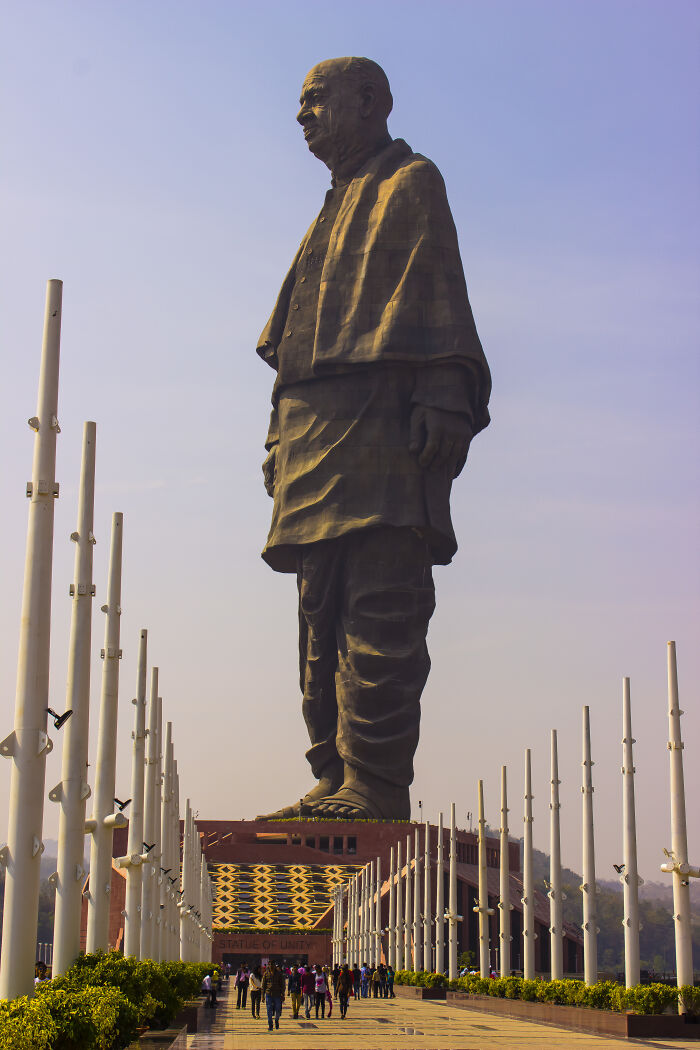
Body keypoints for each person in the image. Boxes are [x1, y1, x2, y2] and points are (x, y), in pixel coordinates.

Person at [256, 56, 491, 823]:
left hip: (383, 424)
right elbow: (291, 339)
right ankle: (332, 770)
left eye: (316, 99)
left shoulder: (410, 181)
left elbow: (439, 295)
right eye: (300, 103)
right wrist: (275, 434)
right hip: (312, 428)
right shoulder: (331, 207)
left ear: (369, 102)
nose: (303, 115)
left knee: (381, 602)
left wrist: (445, 395)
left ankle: (376, 782)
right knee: (317, 609)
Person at [261, 960, 286, 1032]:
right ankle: (270, 1025)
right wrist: (262, 996)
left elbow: (282, 984)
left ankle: (276, 1020)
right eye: (270, 964)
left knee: (278, 1009)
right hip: (269, 994)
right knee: (269, 1010)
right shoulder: (266, 974)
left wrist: (283, 994)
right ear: (268, 965)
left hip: (277, 994)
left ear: (275, 965)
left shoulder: (279, 974)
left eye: (272, 964)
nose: (271, 966)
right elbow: (263, 985)